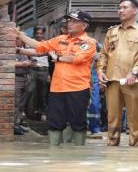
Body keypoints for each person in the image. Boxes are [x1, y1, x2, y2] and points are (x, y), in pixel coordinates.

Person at [7, 10, 96, 146]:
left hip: (78, 88)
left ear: (84, 26)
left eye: (74, 21)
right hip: (57, 88)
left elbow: (78, 58)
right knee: (54, 122)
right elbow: (40, 46)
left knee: (78, 122)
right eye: (69, 21)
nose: (69, 23)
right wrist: (20, 36)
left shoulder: (89, 42)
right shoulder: (60, 39)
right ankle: (54, 154)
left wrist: (58, 58)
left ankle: (78, 155)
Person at [97, 0, 138, 147]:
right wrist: (100, 71)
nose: (120, 10)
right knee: (112, 117)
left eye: (125, 7)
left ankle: (135, 150)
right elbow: (103, 54)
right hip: (112, 80)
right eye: (119, 7)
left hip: (132, 80)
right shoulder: (112, 31)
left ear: (135, 10)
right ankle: (112, 147)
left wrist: (135, 72)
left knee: (134, 117)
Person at [23, 26, 49, 122]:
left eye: (41, 33)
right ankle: (24, 112)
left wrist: (49, 74)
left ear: (43, 34)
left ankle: (43, 113)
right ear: (34, 33)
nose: (39, 35)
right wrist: (30, 60)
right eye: (37, 33)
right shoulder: (29, 43)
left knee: (43, 93)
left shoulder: (47, 43)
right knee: (29, 91)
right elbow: (26, 53)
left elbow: (51, 59)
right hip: (32, 69)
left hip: (44, 70)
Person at [14, 37, 32, 135]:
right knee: (16, 102)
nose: (22, 41)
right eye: (19, 39)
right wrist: (21, 64)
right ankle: (14, 125)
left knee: (22, 103)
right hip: (17, 78)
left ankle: (18, 122)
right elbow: (8, 63)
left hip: (26, 77)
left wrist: (31, 63)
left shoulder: (25, 50)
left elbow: (32, 60)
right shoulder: (11, 50)